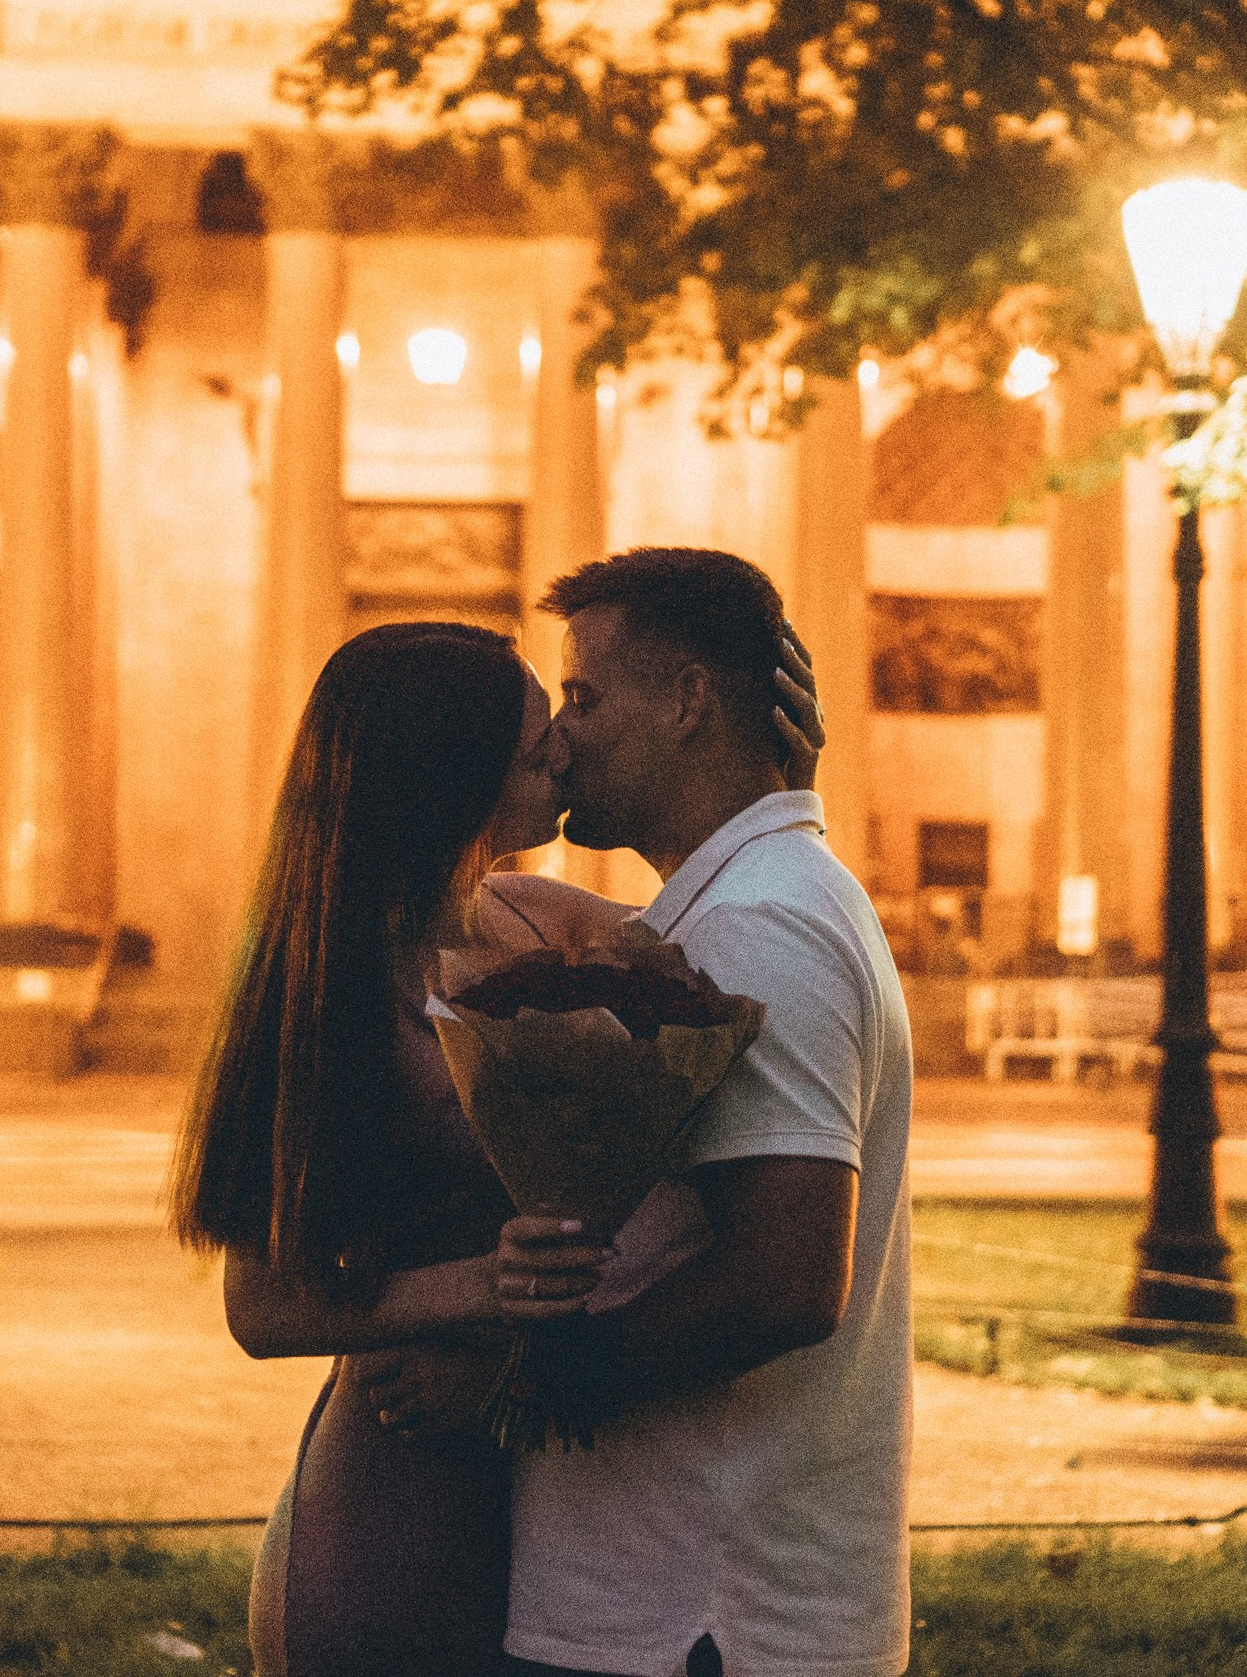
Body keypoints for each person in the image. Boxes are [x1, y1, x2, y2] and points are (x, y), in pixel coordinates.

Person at [169, 618, 823, 1677]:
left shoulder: (526, 918)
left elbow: (729, 920)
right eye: (534, 747)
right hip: (407, 1484)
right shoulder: (332, 993)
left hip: (543, 1476)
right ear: (450, 778)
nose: (564, 747)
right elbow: (262, 1308)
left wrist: (766, 777)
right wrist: (488, 1289)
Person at [497, 548, 915, 1677]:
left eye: (583, 695)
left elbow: (780, 1279)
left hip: (697, 1616)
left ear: (688, 702)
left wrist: (521, 1381)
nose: (560, 733)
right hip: (695, 1608)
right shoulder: (756, 899)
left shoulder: (758, 927)